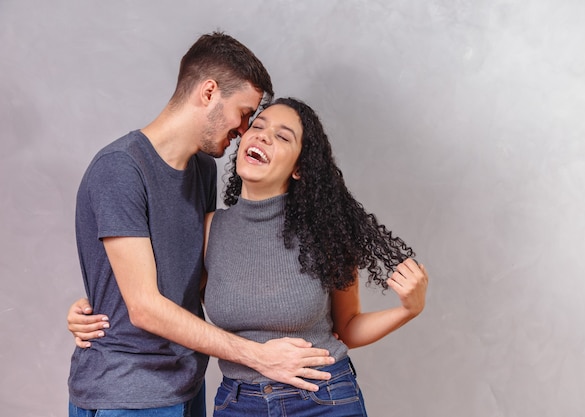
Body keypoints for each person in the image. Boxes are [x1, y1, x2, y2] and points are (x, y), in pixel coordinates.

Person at [71, 97, 429, 416]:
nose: (262, 136)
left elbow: (347, 327)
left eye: (283, 136)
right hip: (238, 403)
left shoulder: (328, 234)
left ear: (300, 168)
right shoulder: (209, 228)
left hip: (322, 399)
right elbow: (160, 297)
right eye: (257, 126)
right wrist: (90, 308)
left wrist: (407, 310)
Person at [67, 33, 334, 417]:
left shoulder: (203, 170)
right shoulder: (120, 168)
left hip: (187, 385)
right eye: (243, 113)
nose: (245, 130)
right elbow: (143, 307)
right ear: (208, 93)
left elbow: (195, 276)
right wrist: (259, 357)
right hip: (125, 392)